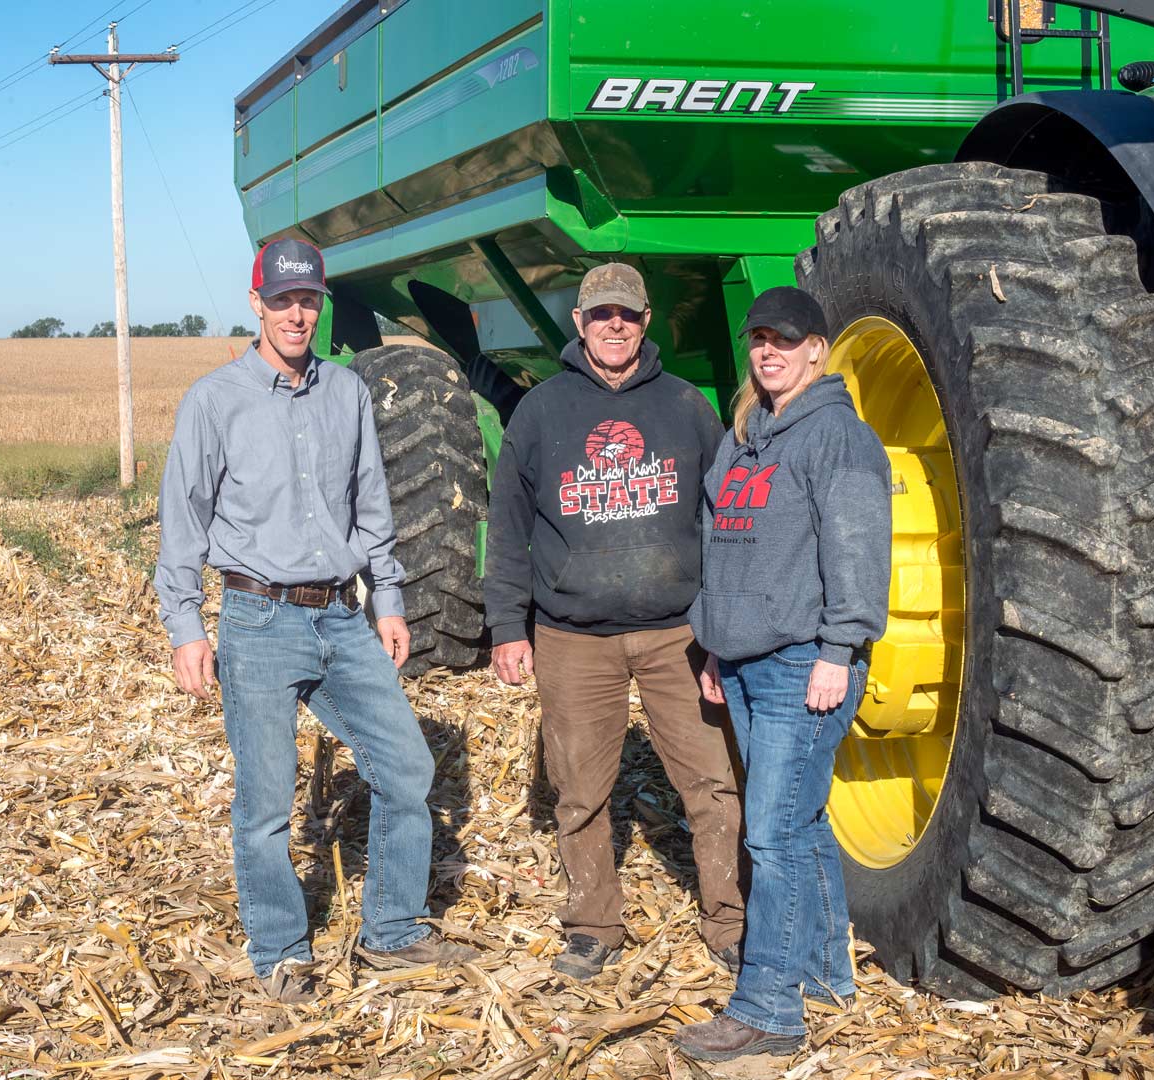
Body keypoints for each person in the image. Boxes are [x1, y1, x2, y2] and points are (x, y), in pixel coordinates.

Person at [153, 238, 476, 1005]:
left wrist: (389, 600)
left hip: (340, 616)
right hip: (257, 619)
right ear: (257, 302)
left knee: (407, 772)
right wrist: (184, 625)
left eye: (310, 301)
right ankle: (279, 952)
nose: (298, 314)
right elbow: (182, 519)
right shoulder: (214, 400)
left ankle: (392, 930)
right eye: (284, 300)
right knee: (265, 804)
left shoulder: (346, 393)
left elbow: (372, 503)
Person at [484, 262, 746, 982]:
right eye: (600, 315)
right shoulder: (540, 413)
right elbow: (507, 527)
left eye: (626, 315)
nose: (614, 326)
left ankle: (729, 922)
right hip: (573, 640)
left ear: (646, 320)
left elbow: (725, 520)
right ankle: (593, 924)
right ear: (578, 322)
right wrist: (509, 626)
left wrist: (724, 626)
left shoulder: (688, 407)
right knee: (579, 790)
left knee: (714, 783)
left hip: (677, 635)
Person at [673, 287, 890, 1062]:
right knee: (800, 824)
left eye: (784, 340)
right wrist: (712, 645)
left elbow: (858, 552)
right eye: (759, 339)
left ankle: (768, 1010)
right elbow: (718, 544)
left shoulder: (838, 437)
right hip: (742, 663)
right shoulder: (744, 436)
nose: (768, 352)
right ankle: (828, 980)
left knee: (771, 837)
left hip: (804, 663)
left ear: (815, 352)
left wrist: (839, 651)